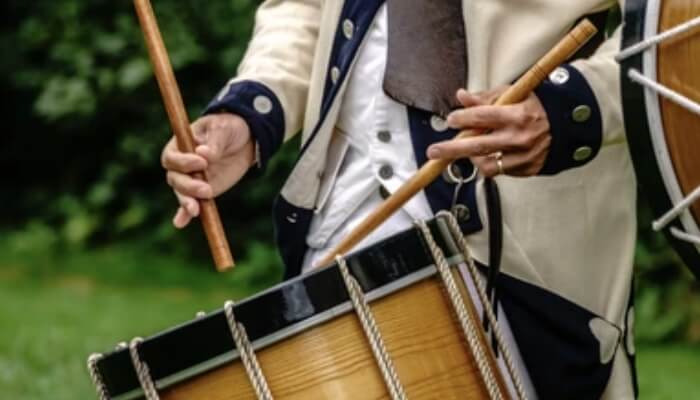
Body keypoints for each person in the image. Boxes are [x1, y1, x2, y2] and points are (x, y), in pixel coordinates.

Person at [161, 1, 636, 398]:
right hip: (342, 213)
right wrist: (250, 113)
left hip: (521, 245)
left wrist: (577, 105)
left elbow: (681, 28)